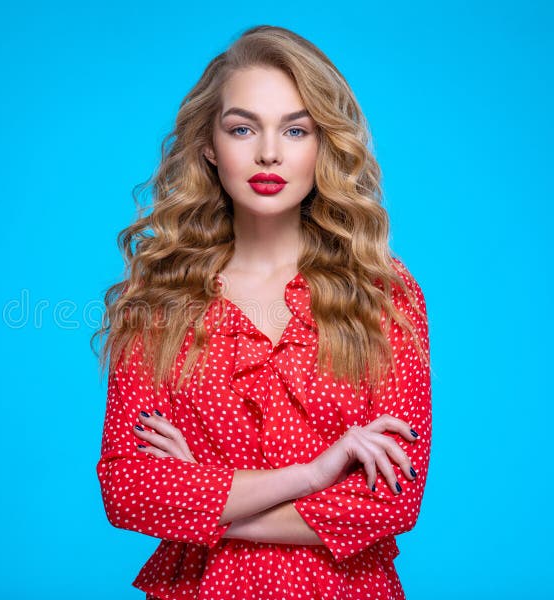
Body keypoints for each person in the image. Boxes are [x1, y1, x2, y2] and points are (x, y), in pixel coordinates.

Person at [92, 24, 432, 600]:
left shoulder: (384, 293)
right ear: (208, 144)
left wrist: (206, 498)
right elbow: (129, 489)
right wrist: (315, 474)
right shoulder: (158, 300)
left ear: (323, 144)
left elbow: (389, 503)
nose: (269, 152)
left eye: (295, 129)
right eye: (243, 128)